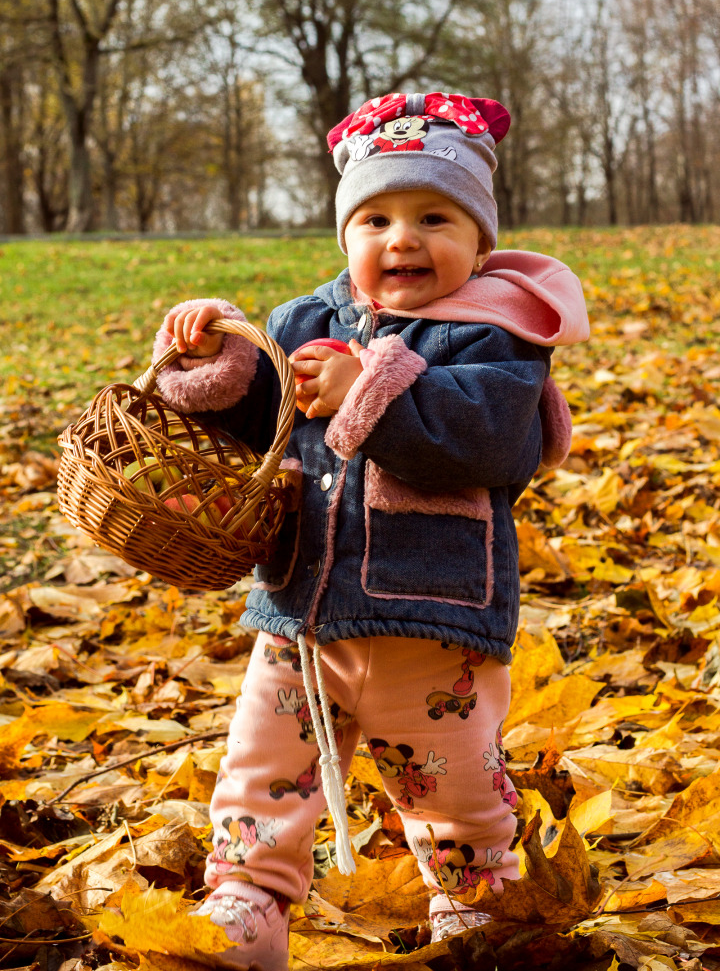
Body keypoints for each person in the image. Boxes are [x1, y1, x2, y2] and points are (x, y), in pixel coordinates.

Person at [153, 91, 590, 970]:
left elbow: (493, 441)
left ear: (479, 238)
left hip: (431, 626)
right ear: (345, 234)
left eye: (436, 216)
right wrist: (214, 362)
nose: (403, 239)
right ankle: (247, 902)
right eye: (377, 217)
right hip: (298, 619)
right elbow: (255, 427)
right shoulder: (305, 324)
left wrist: (372, 385)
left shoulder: (495, 335)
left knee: (456, 793)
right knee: (260, 776)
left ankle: (481, 914)